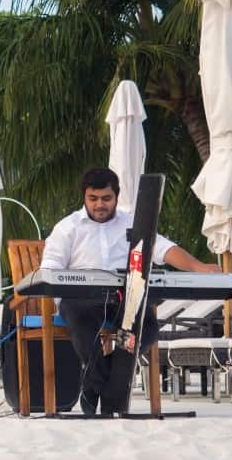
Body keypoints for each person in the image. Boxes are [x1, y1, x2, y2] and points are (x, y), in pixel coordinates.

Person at [40, 167, 221, 415]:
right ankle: (100, 383)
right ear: (84, 197)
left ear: (116, 196)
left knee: (146, 329)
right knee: (81, 322)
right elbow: (50, 268)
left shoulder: (132, 223)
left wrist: (199, 267)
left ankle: (99, 382)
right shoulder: (67, 227)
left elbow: (163, 249)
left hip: (124, 299)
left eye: (106, 198)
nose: (99, 205)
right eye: (93, 199)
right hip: (81, 300)